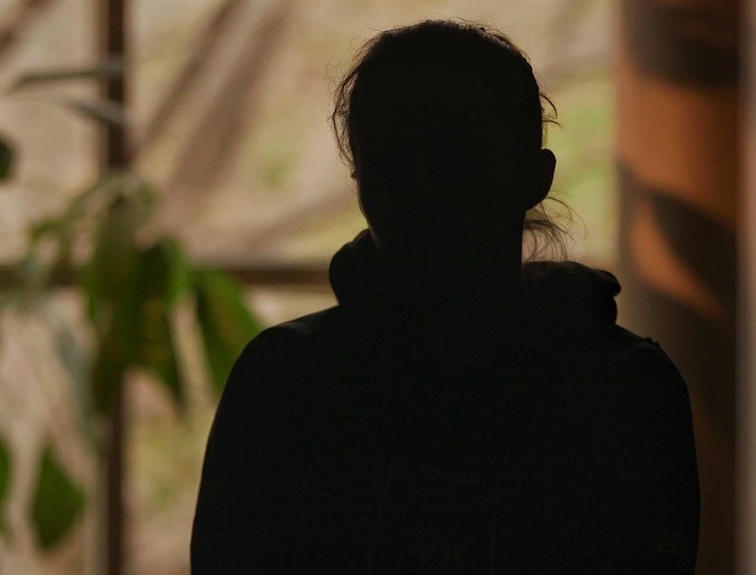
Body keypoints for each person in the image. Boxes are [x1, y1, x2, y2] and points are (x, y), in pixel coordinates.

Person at [190, 20, 700, 575]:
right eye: (398, 161)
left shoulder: (289, 377)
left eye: (454, 158)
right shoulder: (622, 388)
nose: (426, 194)